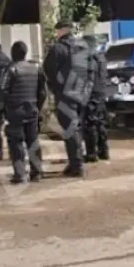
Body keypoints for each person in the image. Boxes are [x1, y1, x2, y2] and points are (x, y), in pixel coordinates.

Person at [42, 19, 91, 178]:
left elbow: (48, 71)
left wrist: (55, 89)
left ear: (62, 30)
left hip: (65, 95)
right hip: (81, 94)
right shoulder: (82, 47)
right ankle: (75, 163)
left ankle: (77, 166)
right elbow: (91, 70)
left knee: (70, 129)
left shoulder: (57, 49)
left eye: (58, 31)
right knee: (75, 128)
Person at [0, 41, 47, 184]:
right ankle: (37, 172)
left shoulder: (10, 70)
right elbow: (43, 92)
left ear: (12, 54)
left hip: (15, 112)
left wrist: (0, 111)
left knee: (16, 144)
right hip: (32, 111)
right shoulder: (36, 69)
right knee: (33, 141)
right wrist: (38, 107)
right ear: (25, 53)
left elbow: (2, 92)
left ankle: (20, 174)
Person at [82, 37, 110, 162]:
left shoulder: (90, 59)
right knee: (100, 123)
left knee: (90, 124)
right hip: (101, 94)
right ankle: (104, 151)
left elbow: (89, 79)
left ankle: (91, 153)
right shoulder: (102, 58)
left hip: (92, 94)